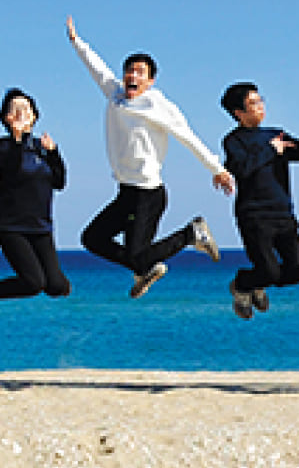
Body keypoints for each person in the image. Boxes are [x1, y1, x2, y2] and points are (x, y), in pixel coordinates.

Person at [65, 18, 231, 298]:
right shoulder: (115, 94)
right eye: (129, 70)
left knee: (137, 254)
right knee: (92, 239)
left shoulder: (159, 106)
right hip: (125, 192)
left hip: (148, 195)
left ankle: (192, 233)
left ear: (150, 81)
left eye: (140, 72)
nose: (132, 75)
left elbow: (187, 135)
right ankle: (144, 270)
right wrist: (76, 42)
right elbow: (97, 69)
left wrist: (216, 168)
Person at [217, 82, 299, 319]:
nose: (260, 107)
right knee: (269, 271)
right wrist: (271, 151)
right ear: (238, 113)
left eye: (261, 101)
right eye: (253, 104)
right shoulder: (234, 141)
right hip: (254, 217)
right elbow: (241, 169)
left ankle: (254, 284)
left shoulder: (276, 135)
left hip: (283, 215)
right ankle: (242, 284)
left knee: (298, 271)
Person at [0, 88, 69, 325]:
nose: (20, 113)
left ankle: (56, 280)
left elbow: (59, 182)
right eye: (14, 109)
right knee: (32, 283)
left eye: (25, 108)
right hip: (11, 225)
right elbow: (14, 171)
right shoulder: (2, 147)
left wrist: (54, 153)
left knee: (56, 286)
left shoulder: (43, 146)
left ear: (34, 116)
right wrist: (18, 140)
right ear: (5, 117)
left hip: (41, 226)